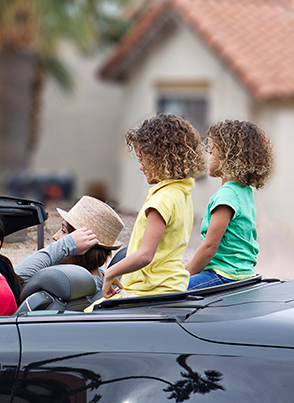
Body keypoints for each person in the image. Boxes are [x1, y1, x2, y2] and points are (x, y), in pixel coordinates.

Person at [92, 113, 206, 305]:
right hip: (172, 287)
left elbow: (145, 255)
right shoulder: (182, 192)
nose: (140, 167)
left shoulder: (162, 199)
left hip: (150, 291)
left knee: (91, 313)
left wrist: (110, 273)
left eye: (142, 158)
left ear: (160, 158)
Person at [186, 120, 274, 290]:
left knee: (169, 291)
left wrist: (183, 278)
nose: (206, 156)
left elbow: (209, 247)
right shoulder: (244, 191)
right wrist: (183, 270)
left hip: (224, 276)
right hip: (241, 273)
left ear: (228, 156)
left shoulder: (226, 195)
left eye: (210, 151)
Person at [15, 195, 125, 299]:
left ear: (85, 246)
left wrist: (66, 245)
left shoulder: (69, 284)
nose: (55, 236)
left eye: (64, 231)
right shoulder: (100, 276)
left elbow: (17, 278)